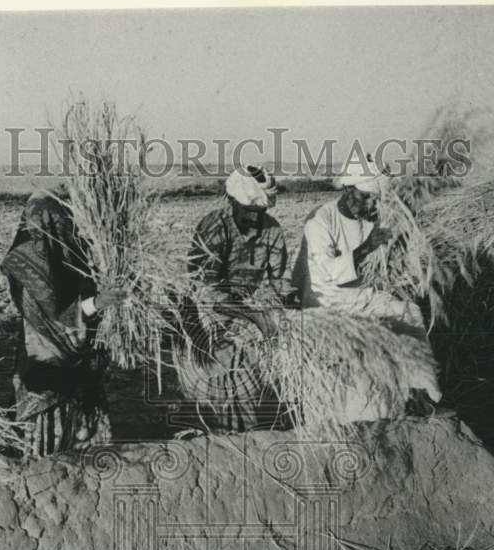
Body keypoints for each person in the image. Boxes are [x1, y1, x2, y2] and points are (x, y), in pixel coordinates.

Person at [290, 159, 444, 418]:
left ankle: (421, 394)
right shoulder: (320, 221)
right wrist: (366, 247)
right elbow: (329, 272)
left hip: (363, 296)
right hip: (329, 301)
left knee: (409, 312)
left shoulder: (371, 216)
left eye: (375, 199)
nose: (372, 204)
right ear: (348, 189)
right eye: (366, 197)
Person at [1, 190, 126, 456]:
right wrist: (96, 304)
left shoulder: (72, 251)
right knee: (48, 440)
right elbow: (49, 317)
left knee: (81, 423)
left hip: (78, 358)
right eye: (56, 222)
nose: (62, 227)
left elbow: (87, 287)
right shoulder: (24, 265)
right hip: (43, 359)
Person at [172, 165, 291, 433]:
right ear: (231, 201)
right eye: (249, 211)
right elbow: (207, 292)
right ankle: (233, 432)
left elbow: (280, 279)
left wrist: (288, 309)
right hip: (207, 312)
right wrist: (255, 317)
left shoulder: (272, 230)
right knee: (232, 357)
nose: (255, 218)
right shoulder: (214, 227)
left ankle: (250, 427)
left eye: (261, 212)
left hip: (246, 307)